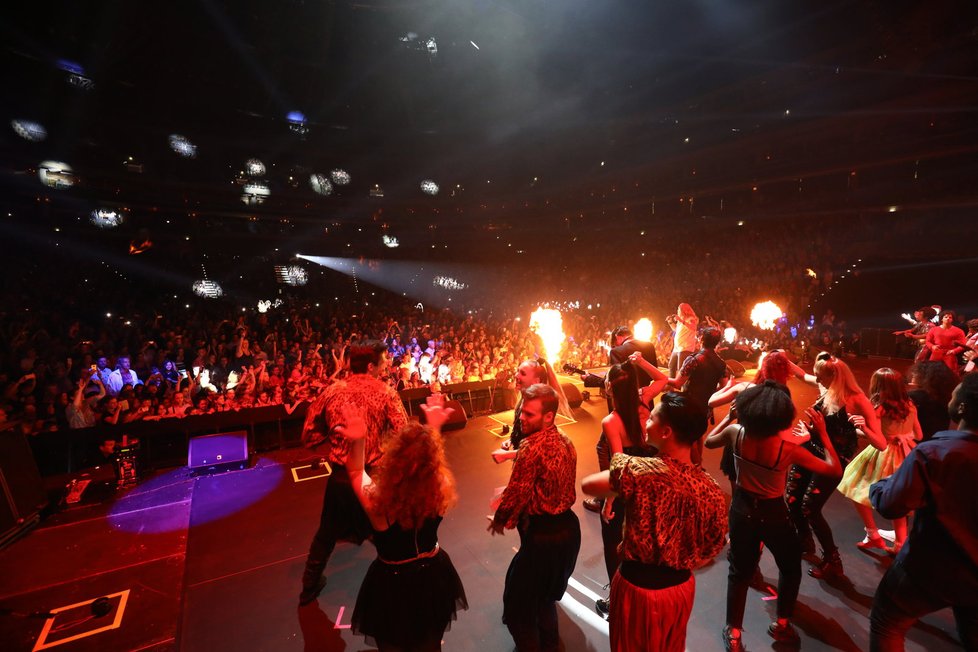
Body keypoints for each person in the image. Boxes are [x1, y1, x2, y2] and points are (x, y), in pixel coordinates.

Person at [583, 391, 727, 652]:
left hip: (638, 591)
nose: (644, 424)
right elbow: (712, 549)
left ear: (666, 432)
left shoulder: (639, 471)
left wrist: (622, 471)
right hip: (680, 589)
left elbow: (588, 485)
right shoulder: (711, 488)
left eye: (649, 419)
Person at [706, 382, 842, 651]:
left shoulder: (737, 433)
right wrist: (823, 435)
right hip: (773, 514)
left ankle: (733, 633)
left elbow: (710, 441)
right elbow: (834, 469)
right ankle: (781, 624)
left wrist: (729, 417)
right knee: (790, 568)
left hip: (742, 510)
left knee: (739, 571)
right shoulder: (787, 449)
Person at [335, 394, 467, 651]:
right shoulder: (440, 487)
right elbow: (429, 463)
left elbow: (354, 471)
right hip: (434, 575)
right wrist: (434, 429)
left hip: (393, 585)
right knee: (430, 641)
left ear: (394, 460)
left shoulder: (379, 505)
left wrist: (359, 440)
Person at [868, 372, 978, 651]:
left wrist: (881, 484)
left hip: (929, 569)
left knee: (887, 621)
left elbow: (891, 504)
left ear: (963, 406)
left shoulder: (934, 454)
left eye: (956, 391)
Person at [298, 341, 408, 606]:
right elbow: (404, 432)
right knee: (384, 533)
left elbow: (308, 437)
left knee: (326, 534)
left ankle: (309, 588)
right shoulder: (386, 392)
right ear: (371, 366)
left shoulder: (332, 391)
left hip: (340, 477)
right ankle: (401, 583)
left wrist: (334, 433)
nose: (386, 367)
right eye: (383, 362)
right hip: (373, 476)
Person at [488, 383, 580, 652]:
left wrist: (499, 519)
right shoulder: (567, 441)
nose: (520, 418)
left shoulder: (530, 449)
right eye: (522, 412)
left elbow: (517, 493)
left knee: (518, 608)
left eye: (529, 414)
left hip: (542, 539)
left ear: (548, 416)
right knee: (545, 599)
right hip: (569, 532)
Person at [785, 355, 884, 576]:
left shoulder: (857, 400)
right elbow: (802, 375)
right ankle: (804, 542)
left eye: (821, 375)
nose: (817, 378)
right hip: (810, 450)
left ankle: (833, 560)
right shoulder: (826, 389)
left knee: (809, 508)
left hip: (833, 461)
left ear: (834, 376)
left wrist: (864, 429)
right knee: (792, 500)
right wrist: (781, 358)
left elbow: (881, 443)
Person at [593, 357, 669, 618]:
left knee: (614, 544)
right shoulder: (644, 401)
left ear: (611, 390)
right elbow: (663, 379)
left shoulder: (611, 421)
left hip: (628, 491)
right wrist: (641, 361)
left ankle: (617, 599)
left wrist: (608, 501)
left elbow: (618, 464)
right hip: (650, 486)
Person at [837, 368, 922, 555]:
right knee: (897, 500)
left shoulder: (880, 408)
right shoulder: (910, 405)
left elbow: (877, 439)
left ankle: (872, 533)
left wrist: (858, 427)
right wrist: (902, 436)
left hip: (882, 455)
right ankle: (900, 543)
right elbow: (919, 434)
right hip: (906, 453)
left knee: (854, 488)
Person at [907, 360, 956, 441]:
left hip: (915, 441)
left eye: (916, 372)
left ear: (925, 376)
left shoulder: (914, 397)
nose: (912, 375)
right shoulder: (949, 396)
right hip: (938, 441)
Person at [925, 310, 968, 375]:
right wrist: (932, 346)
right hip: (936, 352)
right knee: (931, 371)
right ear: (941, 319)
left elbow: (963, 344)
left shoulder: (958, 331)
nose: (948, 318)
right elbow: (928, 341)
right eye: (946, 317)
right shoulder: (934, 329)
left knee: (951, 373)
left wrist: (954, 351)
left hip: (949, 354)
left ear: (952, 319)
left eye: (950, 317)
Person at [667, 303, 699, 378]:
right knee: (671, 366)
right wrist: (670, 322)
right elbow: (676, 330)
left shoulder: (691, 318)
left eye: (679, 309)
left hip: (685, 347)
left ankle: (683, 387)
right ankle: (671, 385)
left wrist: (681, 320)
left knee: (681, 369)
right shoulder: (680, 321)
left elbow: (693, 327)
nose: (677, 311)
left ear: (683, 310)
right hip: (677, 348)